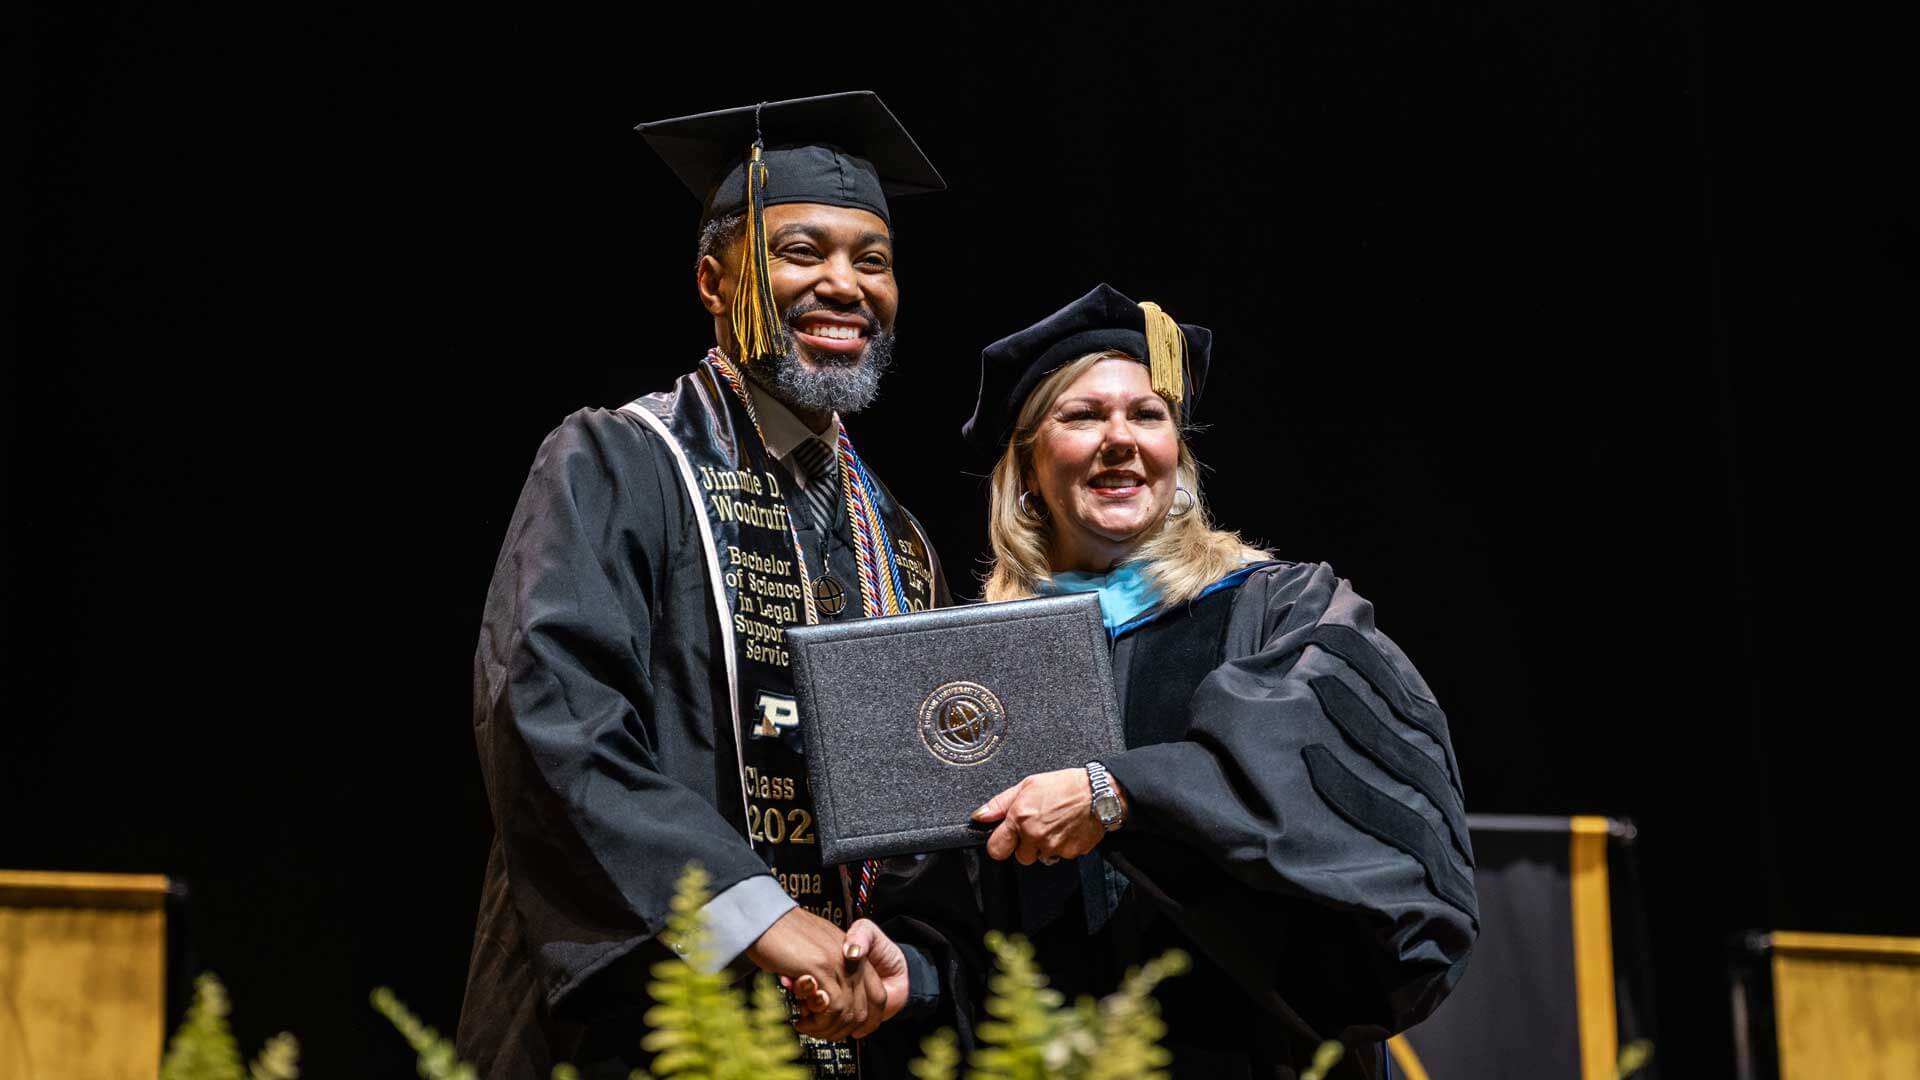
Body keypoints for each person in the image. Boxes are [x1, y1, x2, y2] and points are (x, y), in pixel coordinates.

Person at [456, 93, 980, 1079]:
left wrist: (900, 956)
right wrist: (759, 917)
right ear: (713, 278)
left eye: (872, 260)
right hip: (639, 1024)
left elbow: (926, 813)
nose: (843, 285)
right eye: (801, 252)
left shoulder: (900, 543)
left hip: (843, 1037)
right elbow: (551, 715)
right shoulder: (622, 461)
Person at [959, 284, 1478, 1078]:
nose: (1120, 440)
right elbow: (940, 892)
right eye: (1083, 415)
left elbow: (1335, 797)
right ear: (1027, 464)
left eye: (1147, 414)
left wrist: (1119, 792)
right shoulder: (972, 663)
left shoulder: (1283, 607)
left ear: (1180, 454)